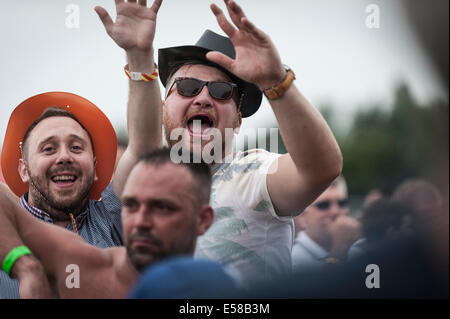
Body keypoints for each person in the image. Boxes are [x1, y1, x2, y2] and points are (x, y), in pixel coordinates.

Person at [95, 0, 342, 285]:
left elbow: (320, 170)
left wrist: (276, 81)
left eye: (222, 91)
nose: (202, 98)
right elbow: (143, 147)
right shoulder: (147, 181)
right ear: (162, 107)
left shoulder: (255, 176)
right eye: (187, 87)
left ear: (238, 119)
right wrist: (138, 56)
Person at [0, 148, 215, 298]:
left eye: (161, 207)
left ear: (203, 219)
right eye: (130, 205)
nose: (140, 222)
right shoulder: (92, 269)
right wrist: (24, 266)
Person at [291, 176, 360, 270]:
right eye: (324, 205)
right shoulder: (292, 261)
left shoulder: (357, 250)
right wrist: (338, 252)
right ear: (302, 212)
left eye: (342, 203)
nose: (335, 211)